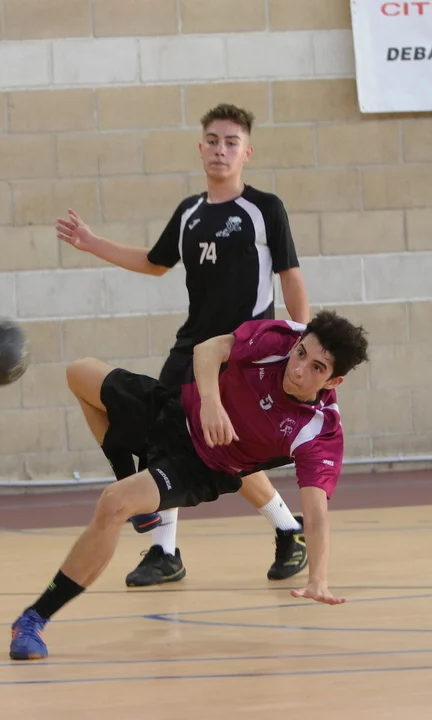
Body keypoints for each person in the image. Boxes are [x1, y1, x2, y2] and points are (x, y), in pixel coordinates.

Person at [8, 311, 369, 660]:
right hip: (177, 410)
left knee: (113, 503)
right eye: (301, 353)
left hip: (202, 466)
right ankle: (129, 480)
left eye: (317, 368)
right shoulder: (281, 339)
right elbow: (208, 349)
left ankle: (32, 620)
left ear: (333, 382)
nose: (299, 368)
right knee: (79, 372)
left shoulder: (318, 431)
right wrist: (211, 402)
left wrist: (318, 578)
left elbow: (316, 514)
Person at [56, 103, 312, 588]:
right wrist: (93, 243)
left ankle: (285, 529)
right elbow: (154, 262)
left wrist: (302, 347)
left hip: (241, 355)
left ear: (247, 153)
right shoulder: (190, 212)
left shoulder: (264, 209)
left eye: (231, 142)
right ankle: (166, 551)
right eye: (213, 141)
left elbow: (291, 276)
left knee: (221, 450)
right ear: (200, 148)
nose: (221, 150)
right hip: (190, 351)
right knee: (167, 440)